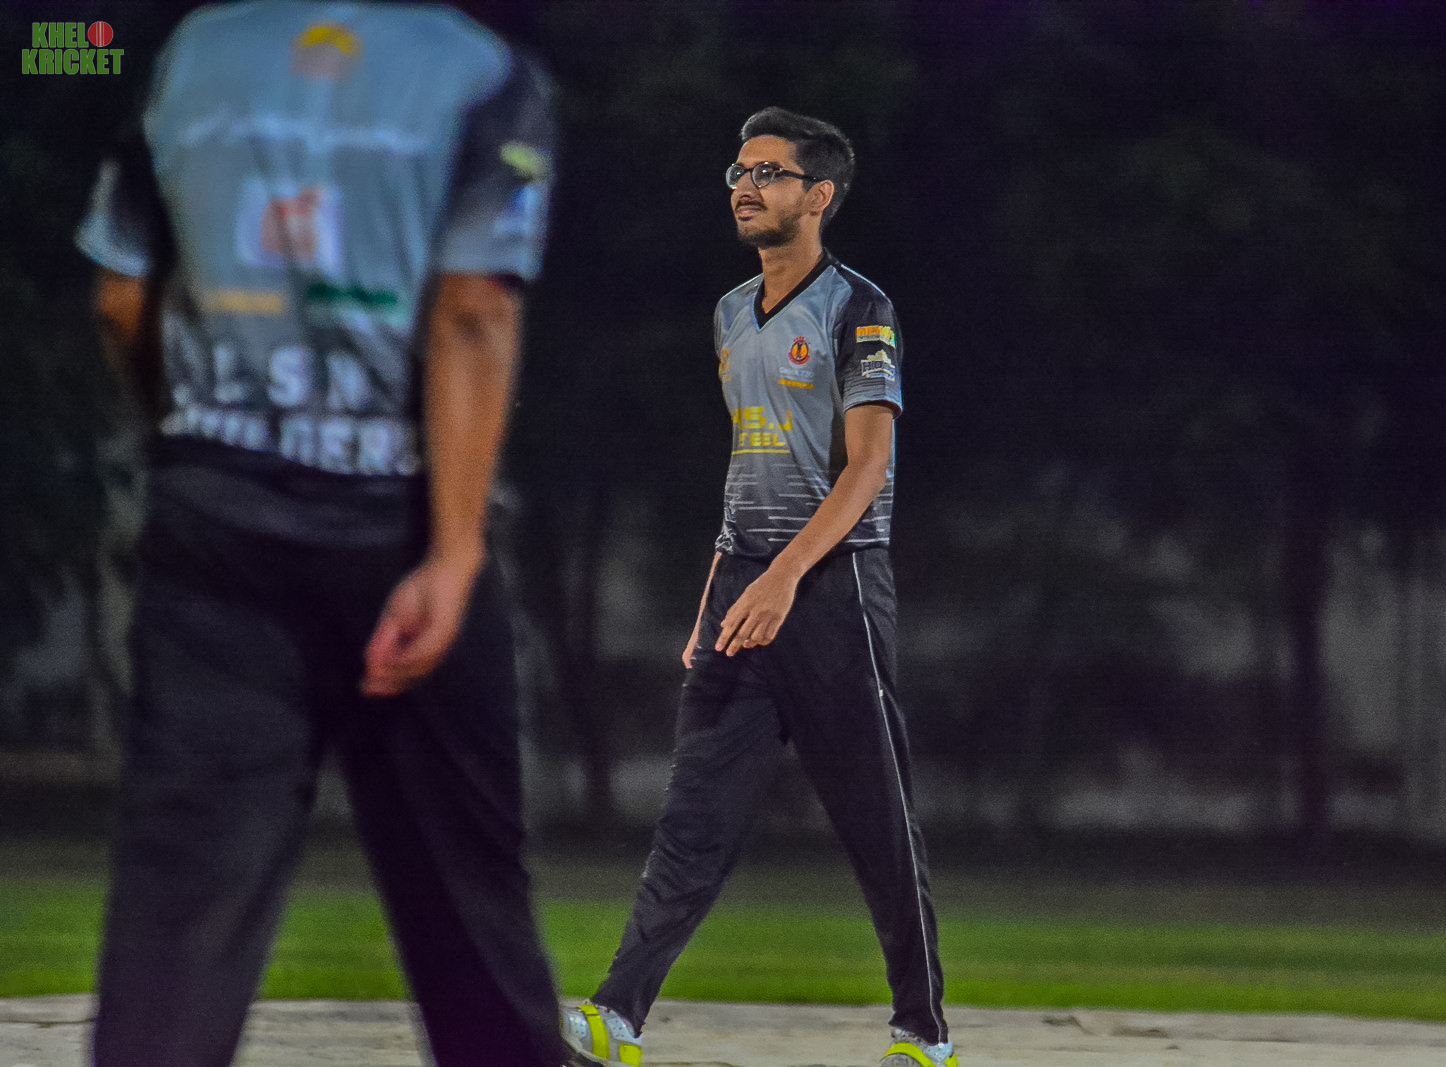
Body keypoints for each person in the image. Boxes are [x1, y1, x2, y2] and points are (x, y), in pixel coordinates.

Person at [75, 3, 568, 1064]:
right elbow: (473, 309)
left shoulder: (197, 53)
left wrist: (189, 439)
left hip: (213, 530)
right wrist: (454, 550)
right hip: (394, 532)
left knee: (176, 919)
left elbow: (121, 297)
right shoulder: (481, 74)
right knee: (467, 913)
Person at [560, 107, 956, 1067]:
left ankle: (924, 1033)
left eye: (769, 172)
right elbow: (749, 468)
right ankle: (616, 1017)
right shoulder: (732, 312)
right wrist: (717, 595)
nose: (746, 186)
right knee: (692, 819)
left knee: (878, 823)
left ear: (818, 196)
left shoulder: (860, 308)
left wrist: (785, 577)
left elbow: (867, 468)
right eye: (739, 171)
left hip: (833, 590)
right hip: (747, 586)